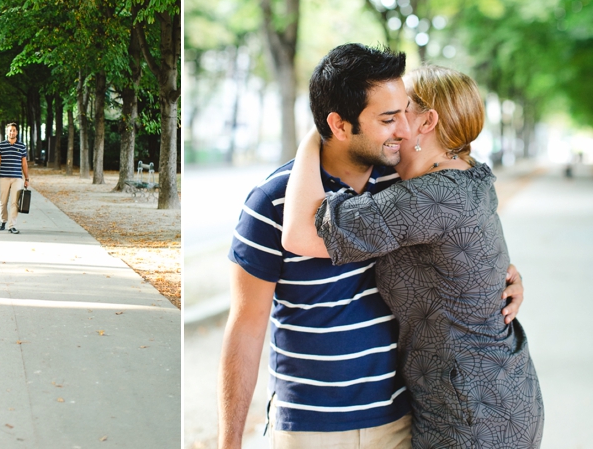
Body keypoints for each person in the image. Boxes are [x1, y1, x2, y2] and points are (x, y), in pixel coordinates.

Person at [219, 44, 523, 449]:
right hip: (310, 427)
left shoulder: (402, 183)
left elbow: (461, 224)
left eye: (404, 113)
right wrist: (229, 441)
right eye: (387, 118)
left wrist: (503, 276)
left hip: (400, 419)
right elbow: (245, 328)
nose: (402, 129)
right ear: (340, 125)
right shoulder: (272, 203)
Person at [0, 122, 29, 235]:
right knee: (3, 202)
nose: (12, 132)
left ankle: (12, 226)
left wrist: (27, 178)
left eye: (14, 130)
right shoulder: (1, 146)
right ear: (7, 132)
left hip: (17, 178)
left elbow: (24, 164)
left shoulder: (22, 146)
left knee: (15, 202)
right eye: (10, 130)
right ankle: (3, 220)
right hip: (4, 178)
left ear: (17, 132)